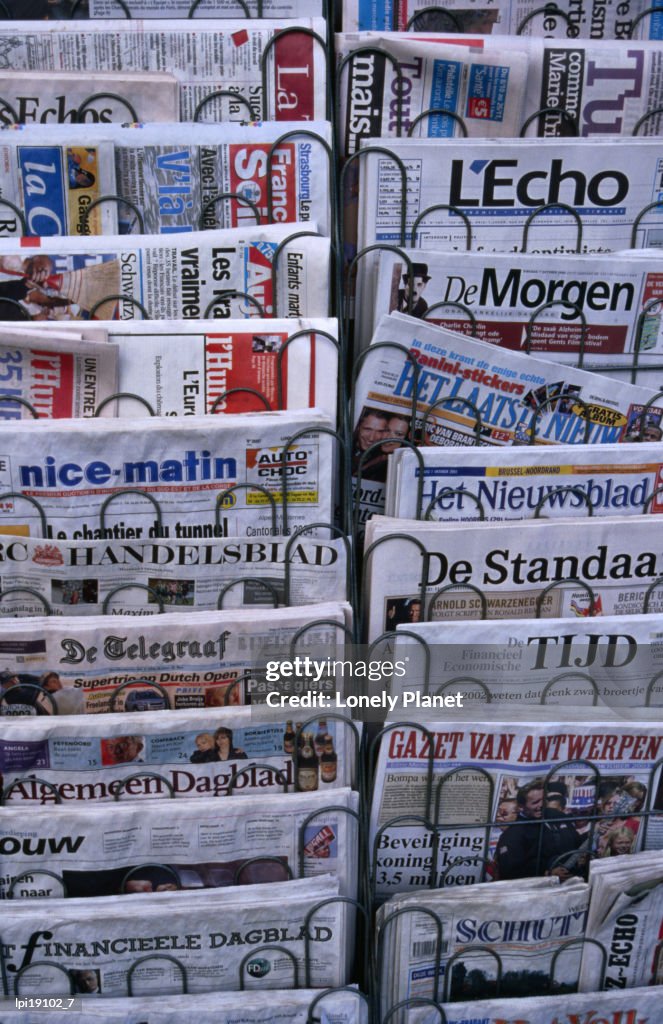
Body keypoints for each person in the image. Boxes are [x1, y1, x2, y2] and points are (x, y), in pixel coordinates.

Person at [493, 778, 583, 879]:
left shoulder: (555, 815)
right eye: (535, 802)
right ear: (521, 807)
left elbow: (576, 838)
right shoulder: (513, 835)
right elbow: (510, 872)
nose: (541, 805)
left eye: (543, 800)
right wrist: (547, 874)